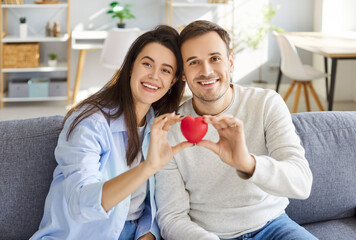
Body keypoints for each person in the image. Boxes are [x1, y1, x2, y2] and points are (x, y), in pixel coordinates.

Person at [155, 20, 317, 240]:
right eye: (194, 62)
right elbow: (171, 217)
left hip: (274, 227)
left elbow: (302, 183)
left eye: (215, 58)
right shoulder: (170, 128)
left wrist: (247, 164)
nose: (206, 71)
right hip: (208, 235)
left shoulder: (266, 104)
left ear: (230, 62)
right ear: (183, 74)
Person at [30, 25, 192, 240]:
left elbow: (148, 202)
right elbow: (81, 205)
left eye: (165, 70)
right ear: (131, 67)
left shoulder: (158, 124)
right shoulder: (91, 123)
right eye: (147, 64)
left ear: (173, 81)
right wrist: (147, 167)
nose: (154, 76)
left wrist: (148, 232)